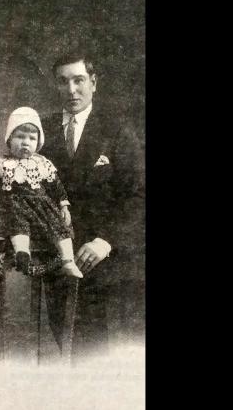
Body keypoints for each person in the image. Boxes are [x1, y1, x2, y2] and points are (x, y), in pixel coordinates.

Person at [40, 50, 144, 362]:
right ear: (56, 86)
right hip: (57, 261)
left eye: (79, 80)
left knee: (98, 353)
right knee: (66, 347)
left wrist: (106, 241)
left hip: (104, 265)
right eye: (63, 82)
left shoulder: (117, 131)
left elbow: (139, 196)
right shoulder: (40, 132)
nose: (71, 89)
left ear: (94, 83)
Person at [0, 107, 83, 279]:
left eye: (32, 138)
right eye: (20, 137)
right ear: (9, 139)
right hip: (15, 207)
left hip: (42, 207)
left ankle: (68, 260)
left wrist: (64, 205)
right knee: (17, 223)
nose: (26, 142)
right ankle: (22, 253)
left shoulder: (42, 163)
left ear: (38, 142)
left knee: (59, 226)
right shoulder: (2, 164)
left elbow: (56, 185)